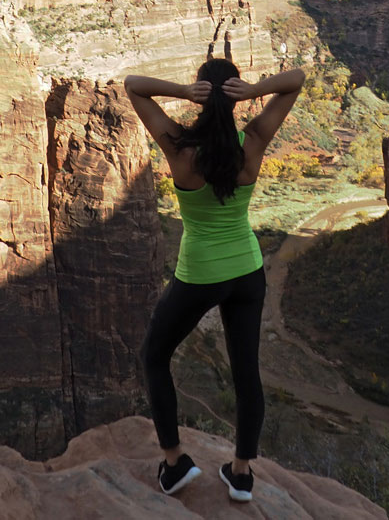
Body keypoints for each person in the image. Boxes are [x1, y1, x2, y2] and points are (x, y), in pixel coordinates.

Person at [124, 58, 306, 502]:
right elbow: (297, 80)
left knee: (154, 355)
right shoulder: (254, 141)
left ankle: (174, 464)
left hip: (200, 274)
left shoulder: (180, 149)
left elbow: (133, 86)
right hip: (247, 271)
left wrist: (184, 92)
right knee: (247, 373)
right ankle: (240, 475)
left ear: (203, 95)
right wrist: (256, 90)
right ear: (236, 95)